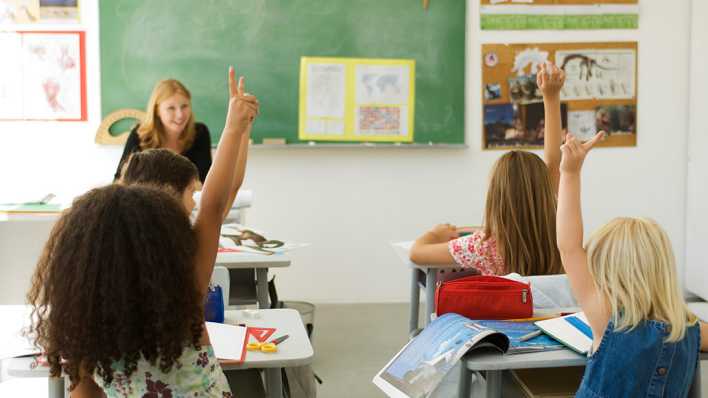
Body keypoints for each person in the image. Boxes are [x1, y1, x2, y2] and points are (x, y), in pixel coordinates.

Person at [27, 67, 259, 397]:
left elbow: (82, 393)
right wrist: (236, 128)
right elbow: (213, 205)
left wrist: (237, 130)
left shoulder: (88, 323)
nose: (193, 203)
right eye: (189, 194)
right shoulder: (186, 287)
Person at [556, 131, 708, 397]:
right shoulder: (690, 328)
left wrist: (570, 174)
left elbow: (568, 246)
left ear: (606, 273)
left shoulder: (605, 317)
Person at [410, 63, 565, 276]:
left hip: (504, 310)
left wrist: (435, 234)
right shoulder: (561, 233)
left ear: (496, 197)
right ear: (545, 191)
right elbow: (554, 162)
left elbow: (417, 253)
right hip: (553, 310)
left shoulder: (482, 246)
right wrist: (551, 96)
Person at [114, 79, 212, 183]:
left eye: (184, 106)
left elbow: (206, 182)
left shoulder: (200, 133)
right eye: (171, 108)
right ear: (157, 111)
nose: (180, 115)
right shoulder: (139, 136)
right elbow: (120, 181)